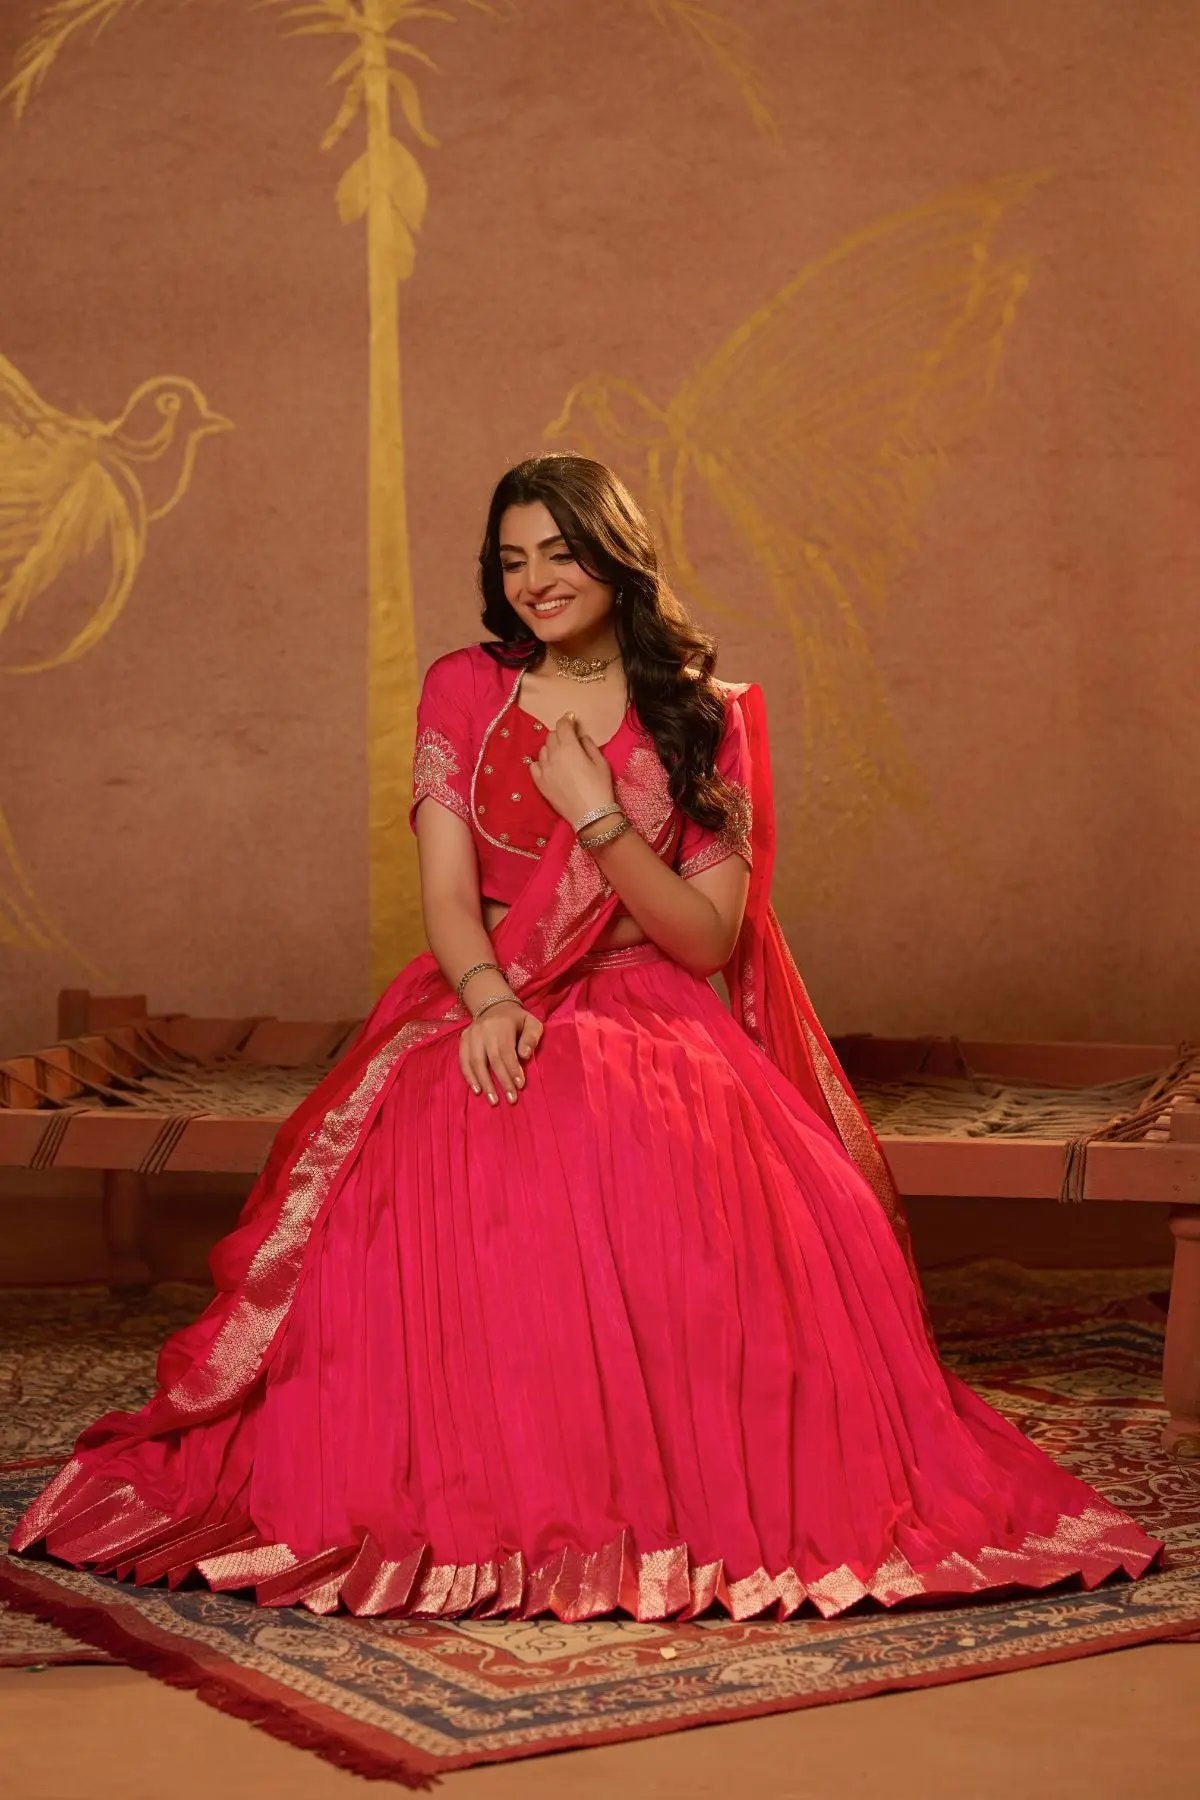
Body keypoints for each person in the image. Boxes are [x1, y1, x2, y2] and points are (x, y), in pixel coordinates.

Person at [10, 455, 1162, 1622]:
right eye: (511, 561)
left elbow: (709, 939)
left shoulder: (701, 714)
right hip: (489, 987)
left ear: (615, 551)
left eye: (558, 553)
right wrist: (491, 1002)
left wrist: (598, 812)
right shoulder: (468, 687)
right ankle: (490, 1486)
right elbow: (451, 899)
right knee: (473, 1126)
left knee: (657, 1150)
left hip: (650, 1007)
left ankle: (656, 1498)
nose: (535, 582)